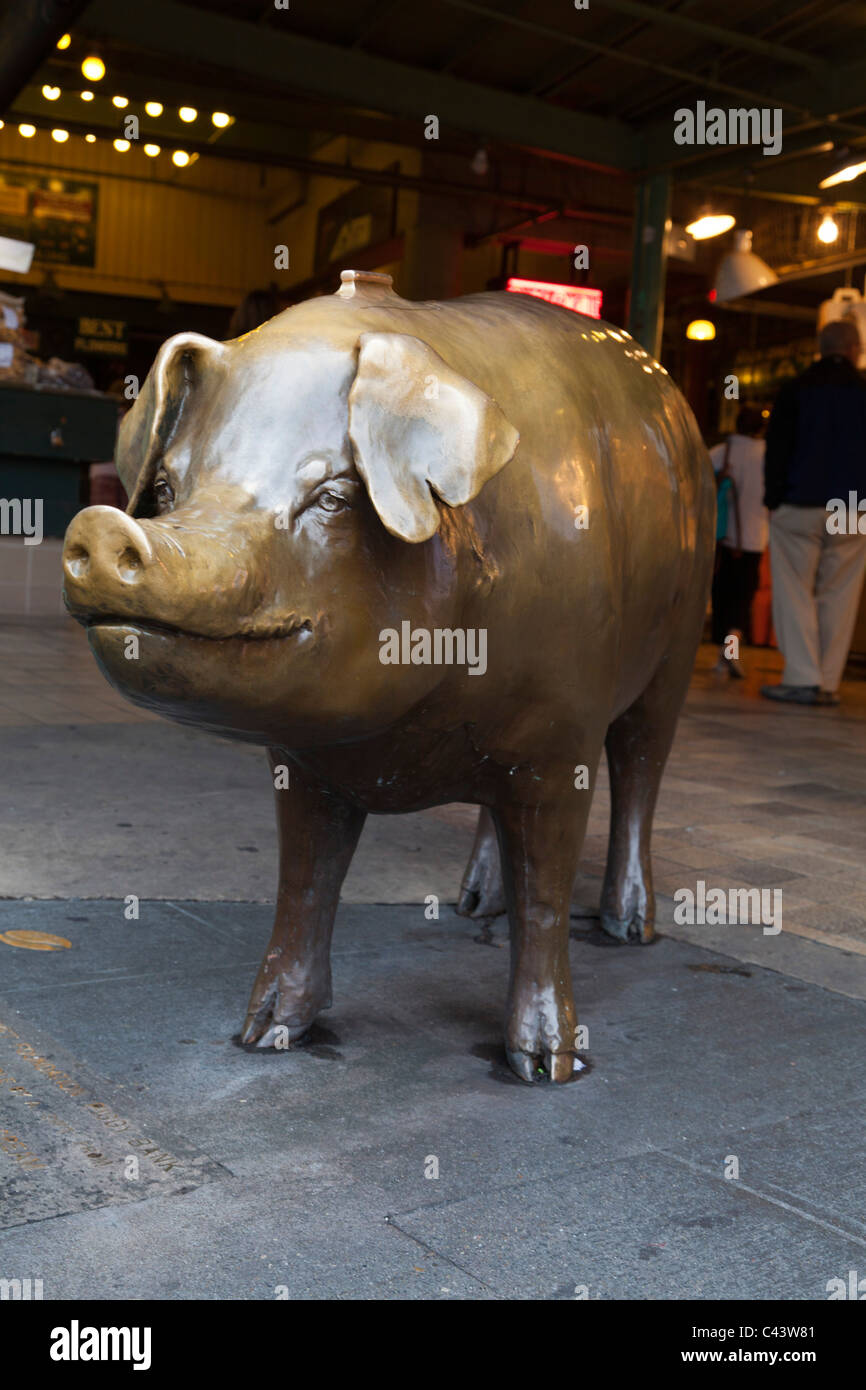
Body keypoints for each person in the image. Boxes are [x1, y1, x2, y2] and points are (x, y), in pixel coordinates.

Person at [761, 317, 866, 706]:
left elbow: (777, 450)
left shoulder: (796, 389)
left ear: (820, 348)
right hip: (853, 505)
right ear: (855, 350)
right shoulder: (863, 391)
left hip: (800, 500)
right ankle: (827, 682)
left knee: (794, 589)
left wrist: (774, 498)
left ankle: (802, 676)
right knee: (840, 593)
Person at [709, 405, 767, 678]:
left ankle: (723, 652)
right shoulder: (767, 455)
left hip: (723, 537)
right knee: (742, 599)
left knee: (721, 595)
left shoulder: (723, 452)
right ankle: (730, 650)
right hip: (754, 539)